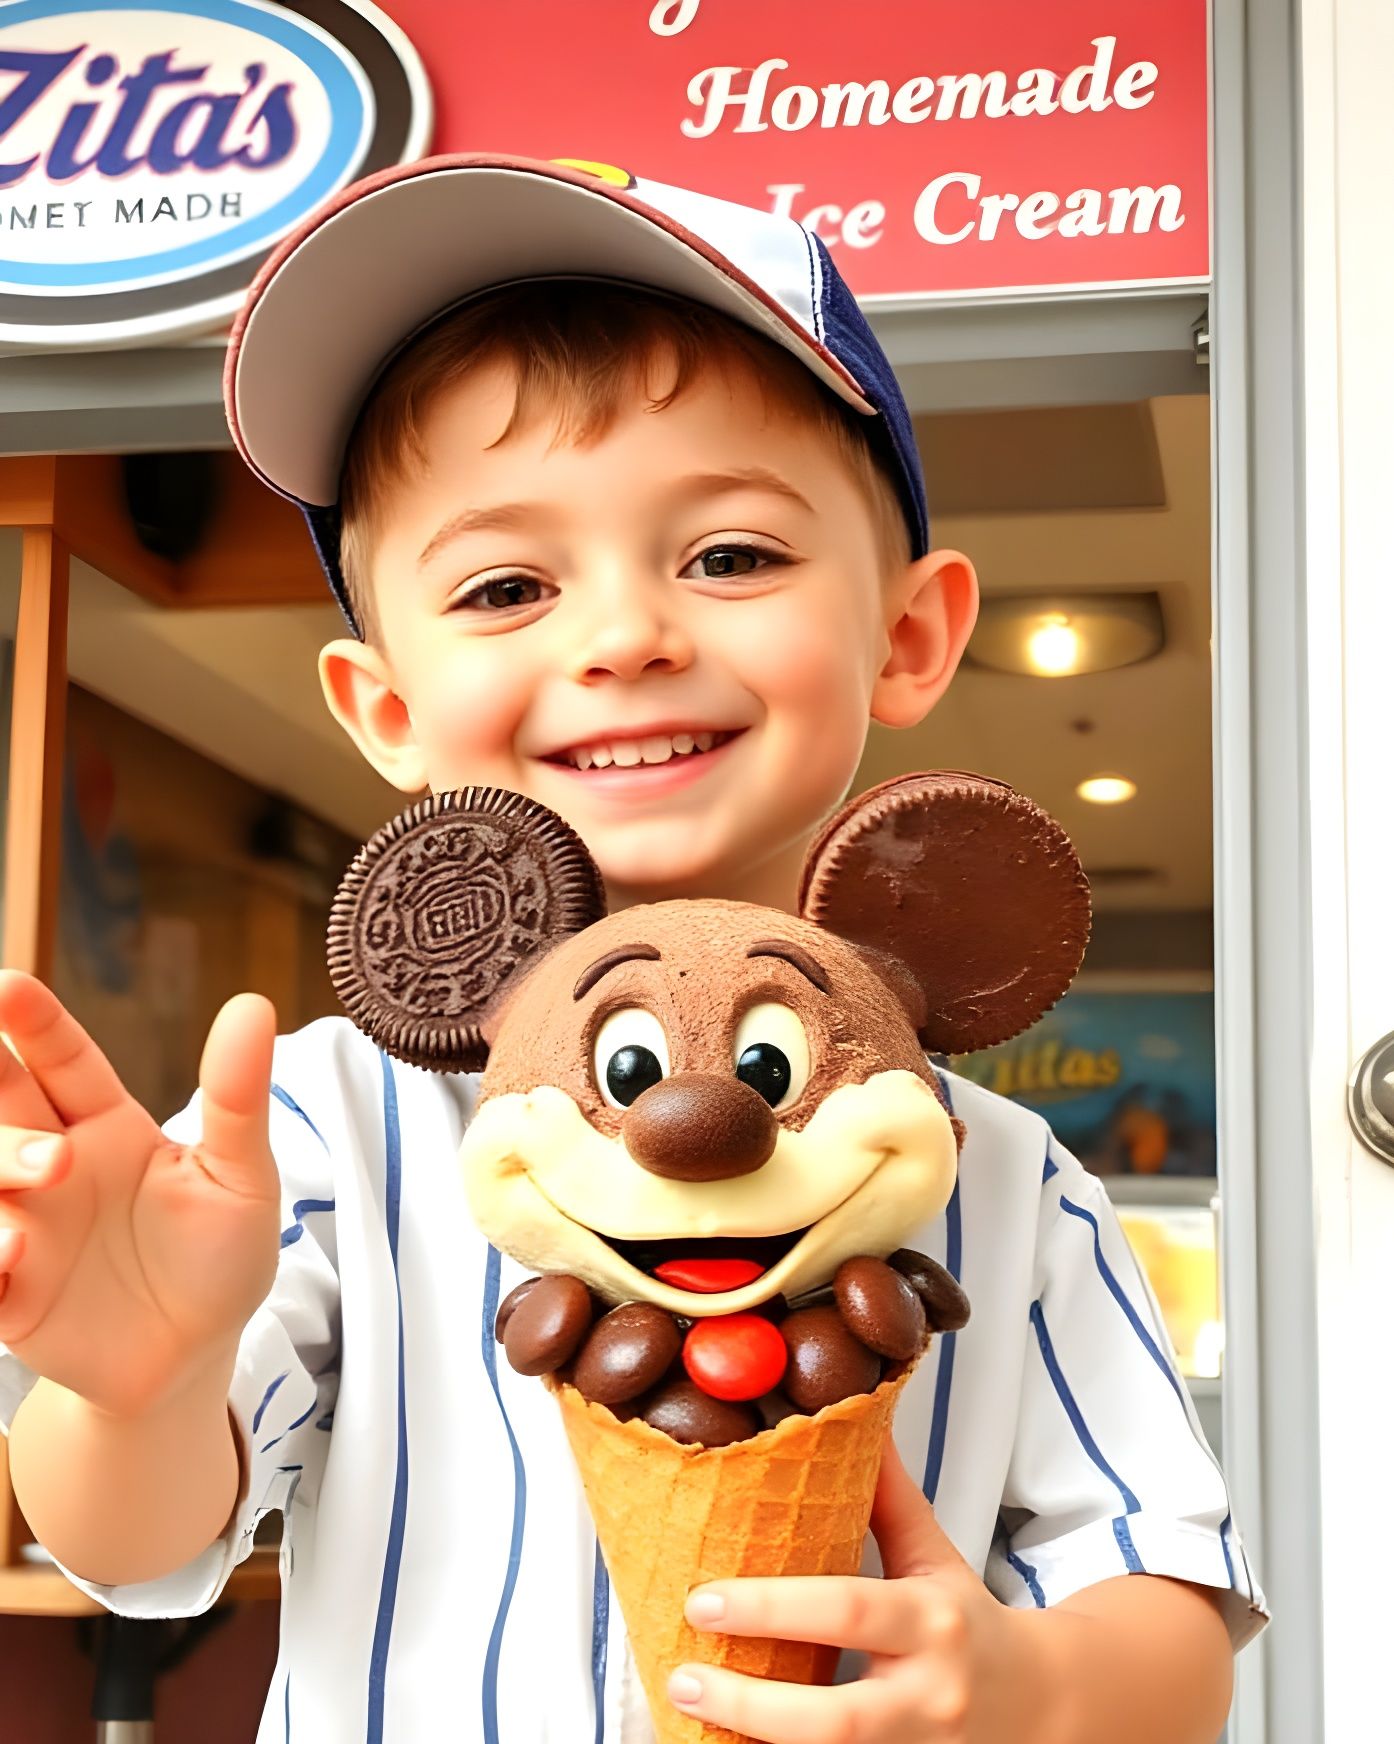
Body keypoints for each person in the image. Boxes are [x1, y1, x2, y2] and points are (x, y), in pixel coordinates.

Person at [0, 156, 1266, 1743]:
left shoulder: (1000, 1178)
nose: (623, 636)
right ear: (385, 711)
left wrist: (1032, 1686)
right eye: (506, 583)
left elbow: (1166, 1612)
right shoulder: (321, 1128)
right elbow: (143, 1544)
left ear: (911, 632)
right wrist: (136, 1383)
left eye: (728, 555)